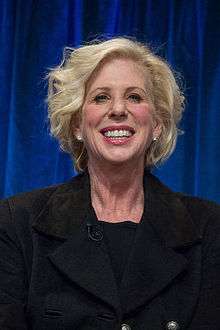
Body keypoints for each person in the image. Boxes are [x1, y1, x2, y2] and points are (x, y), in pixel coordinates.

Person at [0, 37, 220, 330]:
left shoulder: (210, 228)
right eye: (101, 97)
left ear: (157, 124)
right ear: (77, 124)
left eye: (135, 97)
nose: (118, 109)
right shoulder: (16, 223)